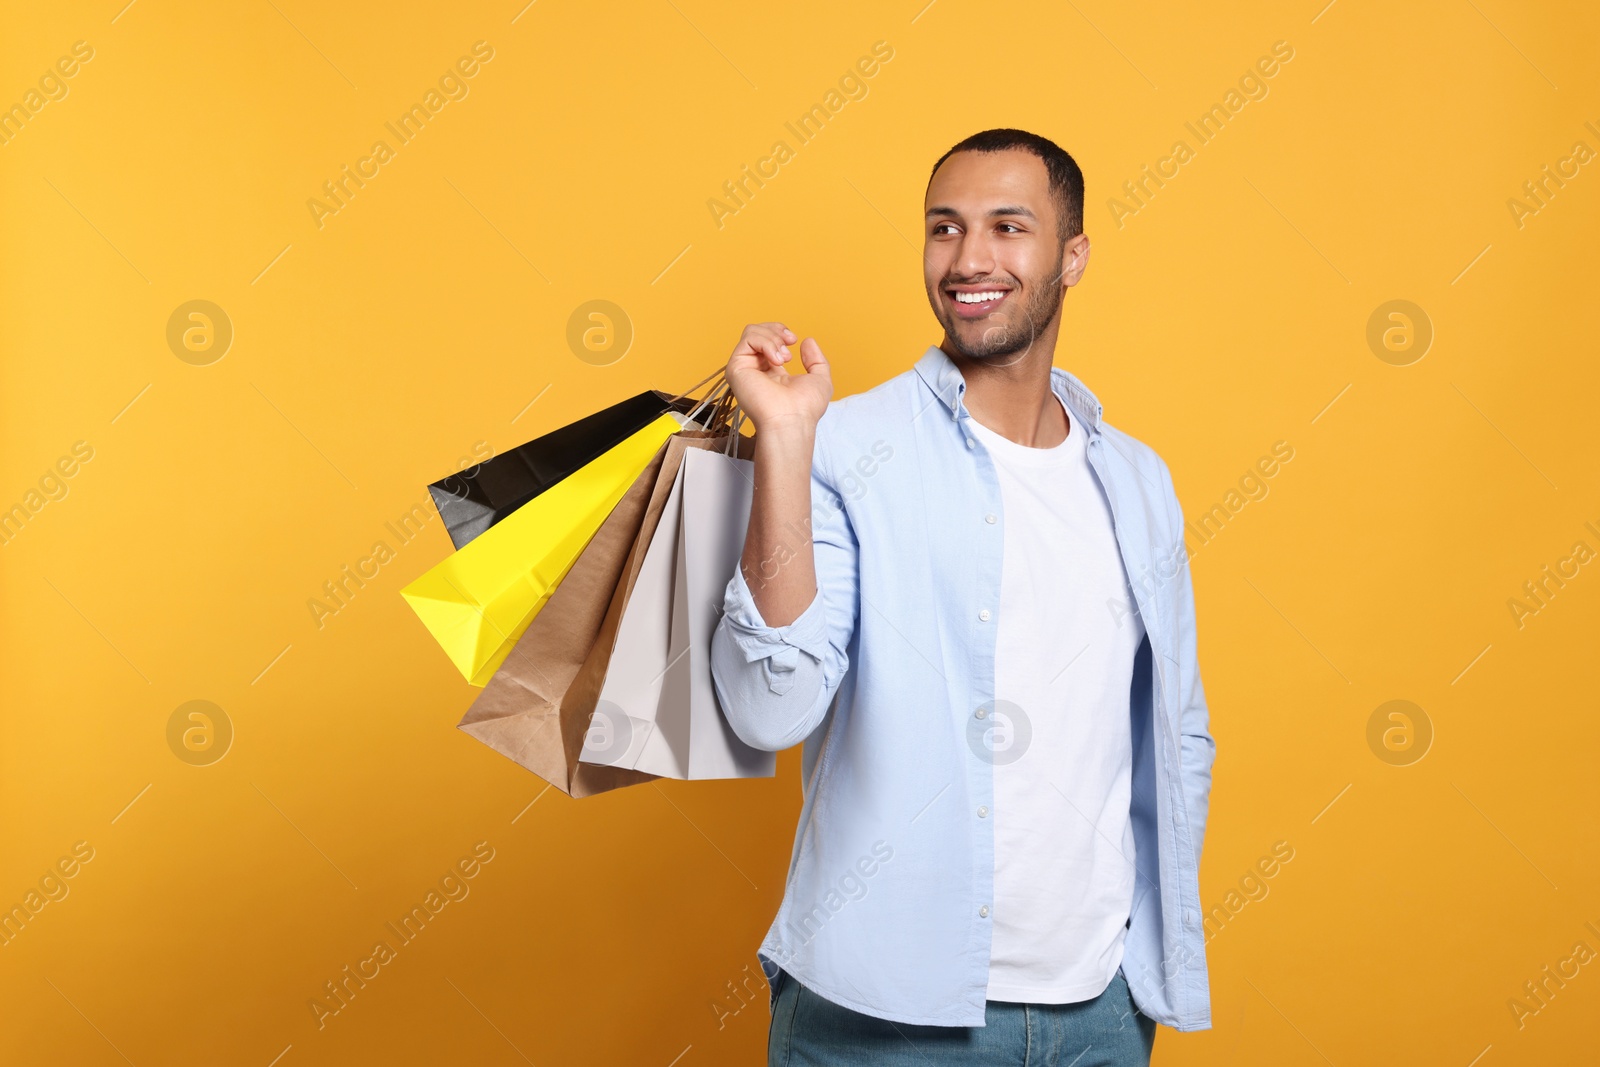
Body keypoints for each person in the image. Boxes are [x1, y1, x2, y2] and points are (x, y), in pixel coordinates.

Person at [709, 128, 1215, 1067]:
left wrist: (1146, 959)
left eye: (1006, 226)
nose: (970, 259)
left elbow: (1178, 729)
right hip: (881, 1017)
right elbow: (768, 707)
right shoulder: (847, 447)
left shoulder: (1140, 480)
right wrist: (785, 442)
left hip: (1100, 1013)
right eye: (945, 228)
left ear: (1073, 256)